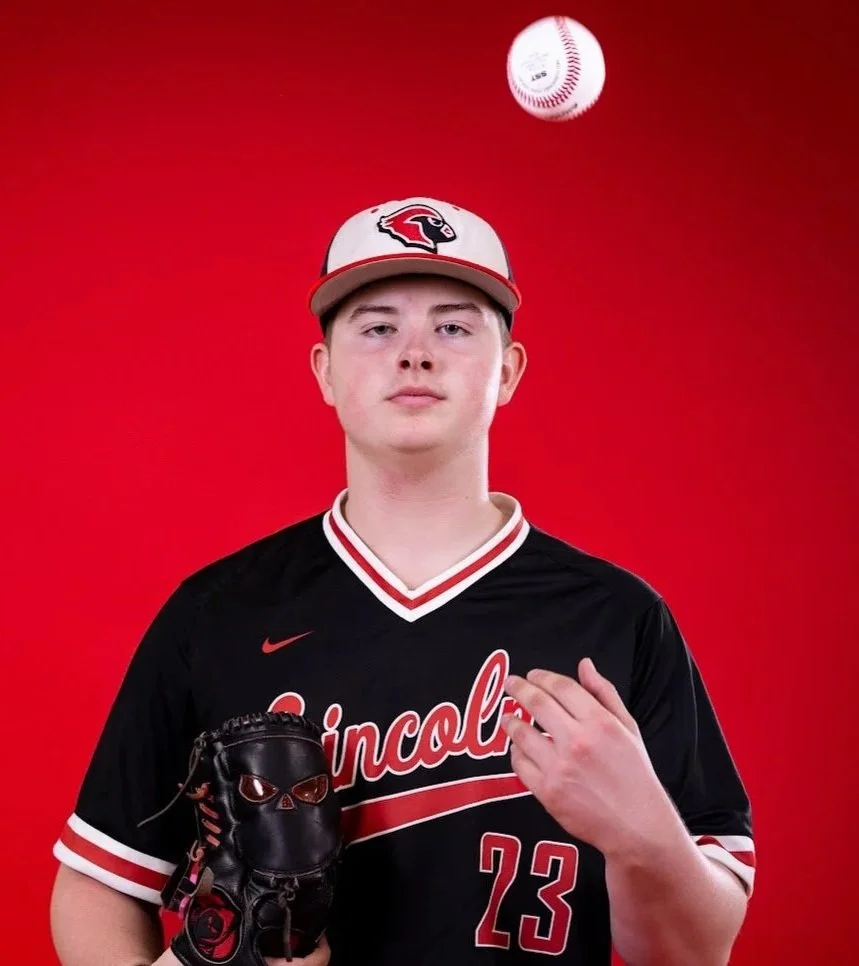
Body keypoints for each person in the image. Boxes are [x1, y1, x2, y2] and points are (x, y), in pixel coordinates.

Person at [50, 196, 755, 966]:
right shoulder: (217, 612)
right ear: (324, 370)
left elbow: (691, 954)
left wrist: (642, 833)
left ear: (508, 370)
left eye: (453, 327)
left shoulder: (616, 618)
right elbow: (98, 882)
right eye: (377, 327)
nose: (414, 353)